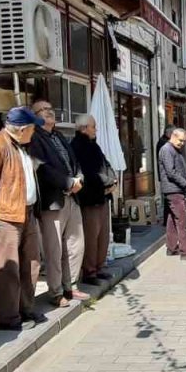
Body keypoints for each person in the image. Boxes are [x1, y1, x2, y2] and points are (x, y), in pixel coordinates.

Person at [0, 106, 46, 332]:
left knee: (31, 264)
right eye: (33, 128)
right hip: (7, 217)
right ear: (23, 129)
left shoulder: (21, 145)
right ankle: (8, 318)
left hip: (27, 212)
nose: (34, 132)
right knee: (8, 270)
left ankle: (25, 309)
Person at [28, 101, 88, 308]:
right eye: (44, 110)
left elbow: (74, 161)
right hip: (53, 200)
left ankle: (71, 285)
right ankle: (55, 292)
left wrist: (78, 177)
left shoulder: (59, 135)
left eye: (50, 108)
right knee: (54, 249)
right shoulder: (34, 138)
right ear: (35, 116)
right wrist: (68, 182)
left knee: (76, 243)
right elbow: (42, 169)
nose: (49, 111)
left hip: (73, 197)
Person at [72, 114, 116, 286]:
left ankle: (99, 267)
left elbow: (106, 164)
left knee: (103, 235)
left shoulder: (93, 144)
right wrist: (108, 181)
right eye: (93, 127)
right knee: (91, 236)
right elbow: (88, 172)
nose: (95, 130)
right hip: (90, 198)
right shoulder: (77, 146)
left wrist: (113, 179)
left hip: (102, 195)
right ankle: (89, 271)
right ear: (84, 128)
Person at [160, 129, 186, 260]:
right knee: (182, 221)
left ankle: (171, 248)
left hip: (175, 189)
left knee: (172, 219)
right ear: (173, 136)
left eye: (183, 141)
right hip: (173, 189)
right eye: (180, 140)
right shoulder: (167, 150)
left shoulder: (174, 149)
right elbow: (171, 172)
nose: (182, 143)